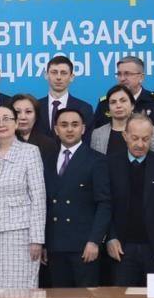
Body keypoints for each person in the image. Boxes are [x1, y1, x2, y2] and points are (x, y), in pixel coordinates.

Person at [0, 103, 45, 289]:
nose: (1, 124)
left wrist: (37, 239)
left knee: (21, 290)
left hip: (20, 235)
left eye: (6, 119)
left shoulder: (30, 152)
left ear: (16, 123)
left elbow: (38, 197)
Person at [105, 115, 154, 286]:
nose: (140, 144)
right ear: (125, 136)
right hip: (120, 248)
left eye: (145, 139)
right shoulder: (110, 164)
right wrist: (110, 237)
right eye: (135, 138)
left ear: (151, 137)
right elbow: (105, 205)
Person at [43, 109, 111, 287]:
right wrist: (44, 243)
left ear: (83, 129)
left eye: (75, 125)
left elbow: (104, 204)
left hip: (84, 246)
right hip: (55, 246)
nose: (69, 129)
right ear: (56, 129)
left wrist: (95, 241)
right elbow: (44, 204)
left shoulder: (96, 160)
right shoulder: (46, 159)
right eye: (64, 125)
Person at [90, 85, 154, 157]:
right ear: (108, 108)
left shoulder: (149, 129)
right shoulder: (97, 134)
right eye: (113, 102)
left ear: (132, 105)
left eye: (123, 101)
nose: (118, 105)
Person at [94, 55, 154, 128]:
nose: (122, 79)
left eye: (127, 74)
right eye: (119, 74)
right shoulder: (105, 103)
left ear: (141, 77)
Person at [34, 55, 93, 144]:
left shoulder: (85, 108)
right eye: (54, 72)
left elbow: (86, 142)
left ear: (72, 77)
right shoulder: (35, 106)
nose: (58, 77)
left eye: (63, 73)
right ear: (46, 75)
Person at [12, 93, 58, 162]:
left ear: (36, 116)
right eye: (17, 112)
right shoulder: (2, 142)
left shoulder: (48, 145)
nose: (23, 117)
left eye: (28, 112)